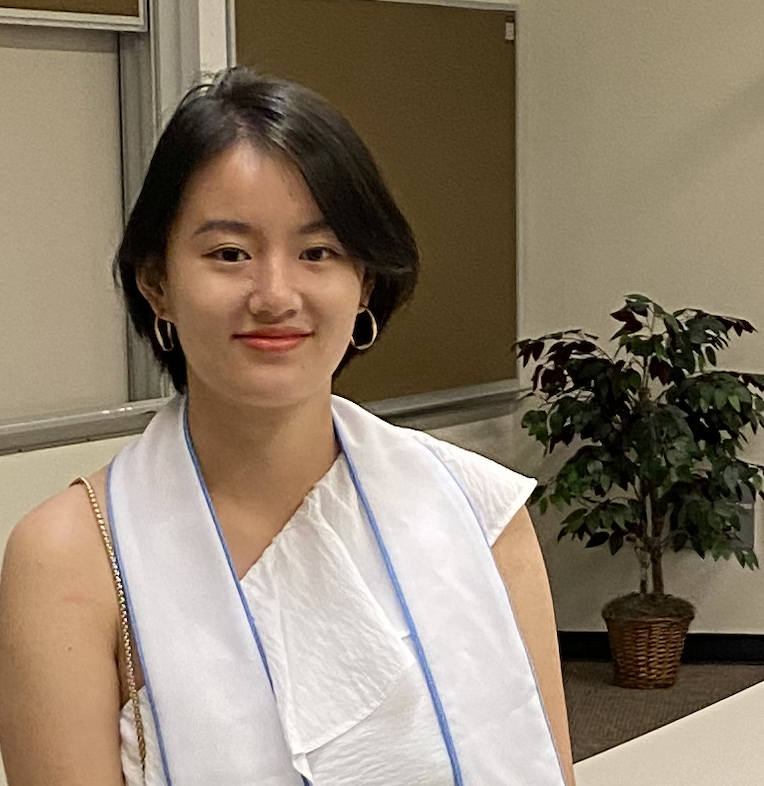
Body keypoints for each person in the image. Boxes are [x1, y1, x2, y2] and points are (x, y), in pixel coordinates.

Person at [0, 67, 575, 786]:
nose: (275, 295)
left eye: (318, 253)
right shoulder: (71, 556)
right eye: (229, 254)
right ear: (157, 284)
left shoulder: (475, 511)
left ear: (364, 283)